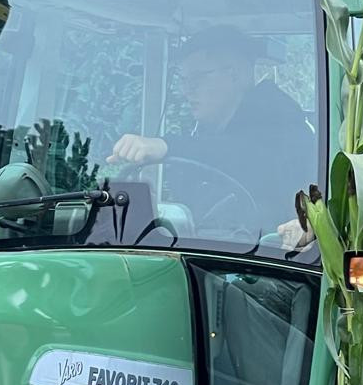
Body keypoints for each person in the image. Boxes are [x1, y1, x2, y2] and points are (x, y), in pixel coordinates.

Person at [106, 25, 313, 233]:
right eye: (183, 80)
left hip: (275, 254)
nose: (187, 91)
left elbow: (244, 153)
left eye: (196, 79)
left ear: (234, 75)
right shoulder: (208, 130)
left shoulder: (279, 120)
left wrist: (165, 145)